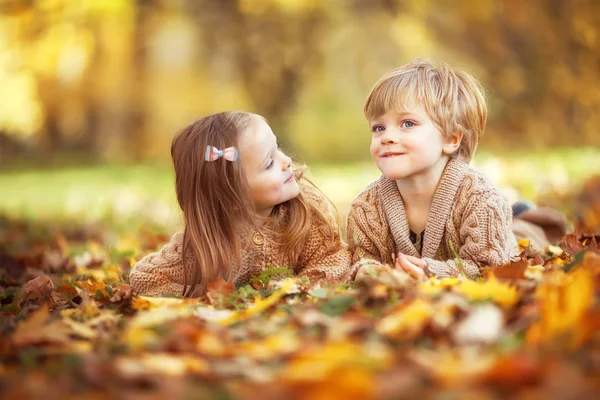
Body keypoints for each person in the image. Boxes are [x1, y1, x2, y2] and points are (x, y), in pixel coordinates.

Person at [348, 58, 566, 281]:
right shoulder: (366, 208)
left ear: (451, 139)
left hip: (507, 240)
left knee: (526, 238)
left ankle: (524, 214)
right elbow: (362, 258)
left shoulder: (482, 200)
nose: (387, 137)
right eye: (379, 127)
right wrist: (368, 270)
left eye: (408, 124)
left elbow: (489, 266)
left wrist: (431, 272)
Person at [130, 111, 352, 297]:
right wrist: (205, 297)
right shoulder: (205, 241)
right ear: (231, 198)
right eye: (269, 163)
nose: (286, 161)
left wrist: (294, 291)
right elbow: (146, 278)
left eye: (278, 148)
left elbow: (333, 259)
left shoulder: (306, 210)